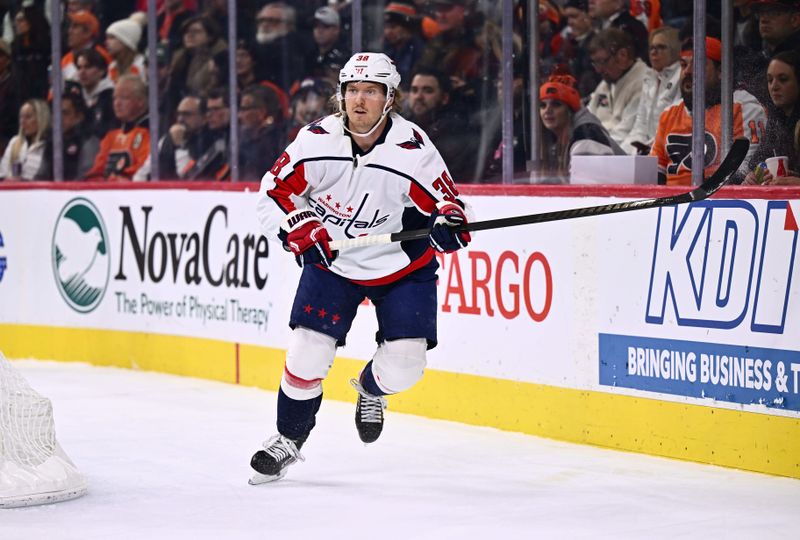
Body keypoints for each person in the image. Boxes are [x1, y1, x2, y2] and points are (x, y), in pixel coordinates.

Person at [249, 52, 472, 483]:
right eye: (352, 90)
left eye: (371, 91)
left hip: (402, 267)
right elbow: (272, 195)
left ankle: (371, 389)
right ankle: (287, 440)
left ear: (390, 99)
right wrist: (297, 226)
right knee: (307, 352)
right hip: (333, 263)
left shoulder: (412, 148)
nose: (359, 99)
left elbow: (448, 204)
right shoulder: (315, 141)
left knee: (406, 365)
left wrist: (450, 225)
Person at [651, 37, 766, 186]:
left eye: (697, 65)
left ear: (720, 71)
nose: (687, 71)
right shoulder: (669, 113)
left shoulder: (743, 107)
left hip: (717, 201)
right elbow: (655, 171)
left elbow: (744, 169)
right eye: (683, 64)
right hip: (671, 203)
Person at [537, 74, 626, 182]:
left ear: (569, 111)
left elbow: (590, 192)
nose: (547, 110)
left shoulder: (586, 137)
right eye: (543, 105)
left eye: (556, 104)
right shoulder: (559, 137)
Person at [622, 26, 682, 155]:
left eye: (661, 47)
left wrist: (649, 150)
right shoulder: (649, 77)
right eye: (652, 48)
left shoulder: (682, 76)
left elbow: (674, 127)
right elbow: (640, 125)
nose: (654, 52)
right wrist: (624, 152)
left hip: (670, 150)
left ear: (675, 49)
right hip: (648, 150)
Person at [586, 27, 649, 149]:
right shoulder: (605, 84)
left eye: (602, 62)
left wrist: (594, 147)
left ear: (623, 55)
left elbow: (625, 132)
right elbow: (588, 120)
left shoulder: (644, 81)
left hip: (621, 155)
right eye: (595, 63)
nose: (598, 70)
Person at [745, 50, 800, 186]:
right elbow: (759, 161)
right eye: (770, 80)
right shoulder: (776, 120)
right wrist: (754, 176)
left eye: (783, 79)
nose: (774, 86)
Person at [84, 74, 150, 181]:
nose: (117, 103)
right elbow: (96, 171)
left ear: (140, 102)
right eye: (115, 98)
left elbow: (142, 169)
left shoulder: (149, 133)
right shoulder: (111, 136)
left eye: (124, 98)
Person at [36, 91, 99, 180]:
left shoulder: (88, 141)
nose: (58, 118)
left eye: (65, 113)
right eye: (55, 112)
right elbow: (41, 175)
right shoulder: (51, 141)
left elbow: (86, 176)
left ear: (79, 117)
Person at [238, 84, 286, 181]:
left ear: (261, 112)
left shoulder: (279, 139)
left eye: (245, 109)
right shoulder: (244, 137)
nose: (239, 115)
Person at [0, 99, 50, 181]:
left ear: (41, 118)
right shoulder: (15, 141)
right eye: (21, 117)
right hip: (12, 191)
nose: (22, 121)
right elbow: (2, 173)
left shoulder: (49, 145)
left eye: (28, 117)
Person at [73, 48, 116, 138]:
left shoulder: (112, 97)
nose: (82, 72)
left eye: (87, 67)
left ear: (102, 71)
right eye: (79, 67)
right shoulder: (75, 97)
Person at [105, 16, 146, 83]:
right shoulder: (112, 67)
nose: (106, 42)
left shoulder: (142, 66)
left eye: (112, 38)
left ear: (126, 41)